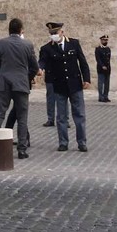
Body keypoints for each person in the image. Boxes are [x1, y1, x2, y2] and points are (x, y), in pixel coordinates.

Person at [38, 22, 91, 152]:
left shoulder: (74, 43)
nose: (53, 36)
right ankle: (63, 142)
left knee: (79, 114)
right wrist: (39, 68)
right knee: (61, 117)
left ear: (62, 32)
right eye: (51, 34)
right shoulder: (46, 48)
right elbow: (43, 61)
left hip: (75, 84)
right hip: (59, 85)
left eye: (55, 33)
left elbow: (82, 62)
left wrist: (87, 79)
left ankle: (82, 142)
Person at [0, 18, 38, 159]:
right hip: (21, 84)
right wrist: (26, 77)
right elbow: (34, 67)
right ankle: (22, 150)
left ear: (9, 29)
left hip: (4, 83)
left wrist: (2, 75)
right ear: (21, 29)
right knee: (22, 117)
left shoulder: (1, 43)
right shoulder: (27, 44)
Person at [94, 34, 112, 102]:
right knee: (101, 83)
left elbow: (108, 59)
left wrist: (107, 66)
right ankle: (101, 97)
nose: (105, 41)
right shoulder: (98, 49)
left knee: (107, 84)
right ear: (101, 40)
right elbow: (98, 59)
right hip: (101, 69)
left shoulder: (108, 49)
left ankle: (106, 96)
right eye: (104, 40)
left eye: (106, 40)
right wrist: (102, 66)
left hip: (107, 69)